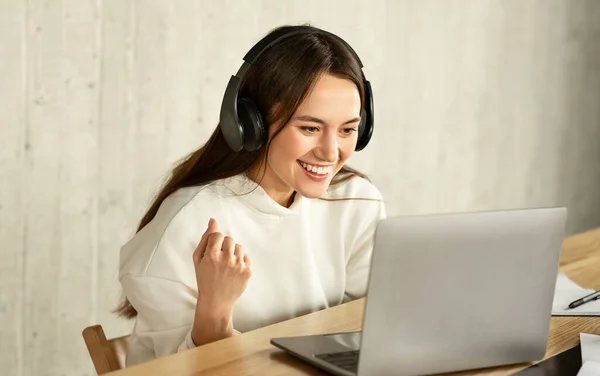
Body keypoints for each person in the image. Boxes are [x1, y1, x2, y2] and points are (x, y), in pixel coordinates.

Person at [116, 24, 386, 367]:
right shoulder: (186, 224)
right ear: (249, 122)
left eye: (348, 129)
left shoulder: (357, 201)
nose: (331, 152)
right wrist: (215, 308)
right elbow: (175, 371)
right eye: (310, 128)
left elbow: (365, 330)